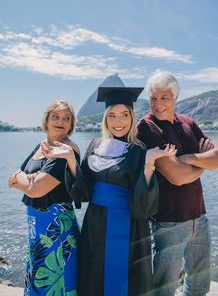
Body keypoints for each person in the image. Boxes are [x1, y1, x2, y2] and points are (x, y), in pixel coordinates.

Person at [41, 86, 177, 296]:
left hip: (128, 226)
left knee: (124, 281)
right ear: (105, 119)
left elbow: (145, 206)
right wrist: (70, 159)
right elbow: (84, 193)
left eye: (124, 115)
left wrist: (149, 165)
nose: (118, 122)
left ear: (132, 118)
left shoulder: (139, 150)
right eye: (112, 115)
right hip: (95, 224)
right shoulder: (95, 146)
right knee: (94, 273)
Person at [136, 70, 218, 296]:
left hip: (200, 216)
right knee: (163, 287)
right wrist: (204, 163)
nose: (158, 104)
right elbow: (176, 177)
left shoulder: (188, 123)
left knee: (200, 284)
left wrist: (188, 159)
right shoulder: (147, 127)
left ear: (175, 98)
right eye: (153, 98)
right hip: (168, 221)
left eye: (164, 98)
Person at [8, 99, 80, 296]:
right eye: (55, 116)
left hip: (56, 228)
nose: (61, 121)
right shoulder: (41, 147)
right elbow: (18, 173)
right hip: (37, 228)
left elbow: (35, 190)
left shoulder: (67, 151)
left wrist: (21, 180)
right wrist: (23, 178)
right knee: (38, 280)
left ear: (71, 124)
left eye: (67, 118)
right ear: (46, 120)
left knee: (56, 284)